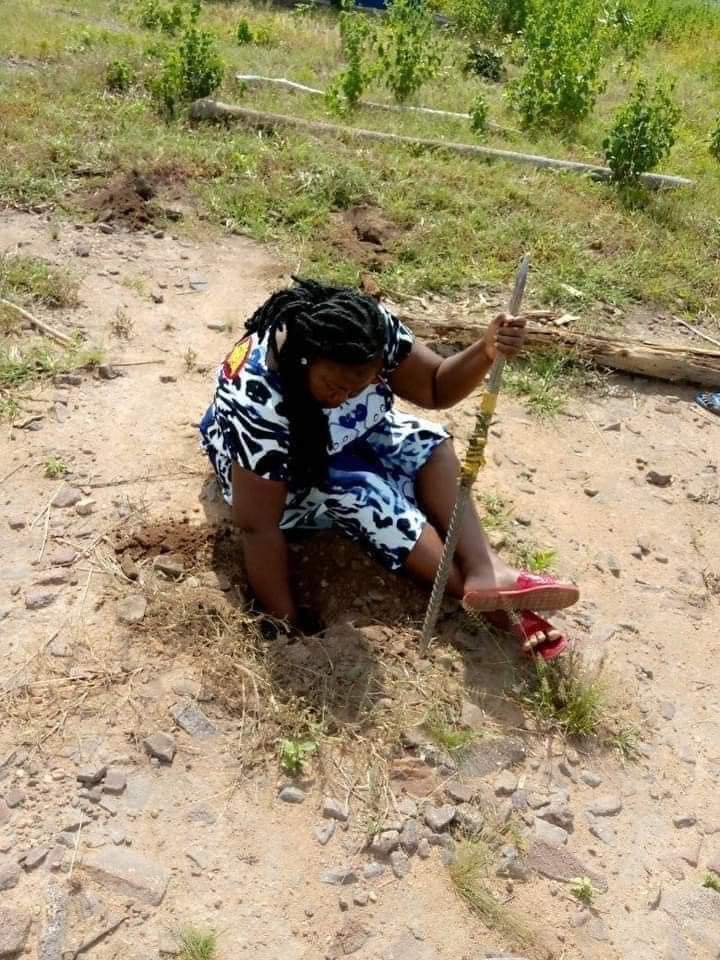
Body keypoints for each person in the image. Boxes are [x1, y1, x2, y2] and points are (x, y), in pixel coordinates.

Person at [200, 278, 579, 659]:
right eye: (335, 386)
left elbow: (434, 386)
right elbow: (258, 527)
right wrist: (286, 626)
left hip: (349, 430)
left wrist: (485, 350)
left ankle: (487, 570)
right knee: (368, 494)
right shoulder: (261, 401)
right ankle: (504, 612)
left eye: (358, 386)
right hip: (279, 469)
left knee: (428, 442)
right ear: (305, 361)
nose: (343, 396)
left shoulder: (371, 334)